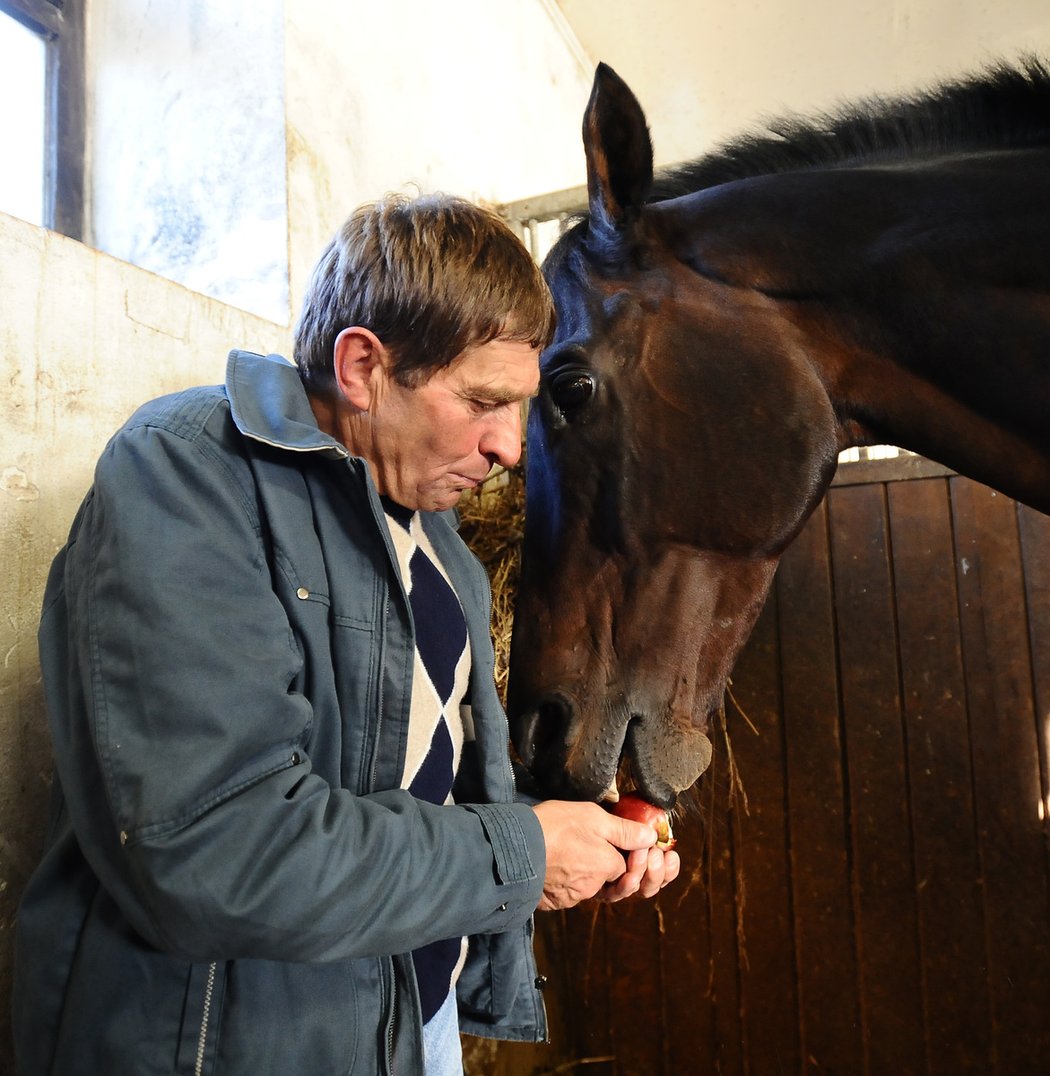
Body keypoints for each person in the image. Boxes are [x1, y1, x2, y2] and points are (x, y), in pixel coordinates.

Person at [12, 193, 680, 1075]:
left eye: (517, 407)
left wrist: (571, 835)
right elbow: (216, 850)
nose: (508, 449)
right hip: (236, 1044)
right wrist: (519, 854)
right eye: (482, 400)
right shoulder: (187, 477)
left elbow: (406, 796)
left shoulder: (444, 550)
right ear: (362, 365)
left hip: (411, 1021)